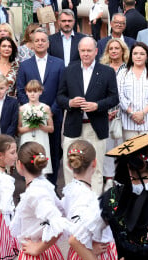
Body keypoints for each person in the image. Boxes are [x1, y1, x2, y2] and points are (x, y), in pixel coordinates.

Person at [57, 36, 119, 194]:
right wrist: (70, 103)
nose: (85, 54)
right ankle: (71, 197)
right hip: (73, 126)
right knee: (69, 164)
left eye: (89, 50)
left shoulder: (107, 72)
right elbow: (60, 97)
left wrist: (97, 105)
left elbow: (114, 98)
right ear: (78, 51)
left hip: (95, 126)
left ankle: (95, 202)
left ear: (96, 51)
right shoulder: (69, 70)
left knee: (96, 165)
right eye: (83, 50)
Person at [16, 28, 65, 185]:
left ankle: (51, 185)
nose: (40, 43)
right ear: (32, 43)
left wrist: (49, 112)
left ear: (48, 43)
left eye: (43, 40)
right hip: (30, 117)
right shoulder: (25, 65)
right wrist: (31, 111)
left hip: (53, 115)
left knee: (53, 150)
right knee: (31, 151)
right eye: (37, 40)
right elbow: (20, 89)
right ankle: (31, 184)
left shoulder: (58, 63)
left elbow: (62, 90)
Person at [100, 37, 129, 191]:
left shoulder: (128, 69)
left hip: (125, 113)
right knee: (109, 147)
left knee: (124, 145)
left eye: (117, 48)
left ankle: (123, 177)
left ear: (122, 50)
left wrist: (121, 108)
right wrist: (107, 110)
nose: (114, 51)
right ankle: (109, 178)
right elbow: (99, 92)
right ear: (107, 52)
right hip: (108, 114)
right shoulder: (103, 68)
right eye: (111, 49)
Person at [117, 42, 148, 137]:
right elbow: (119, 95)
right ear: (131, 56)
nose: (138, 56)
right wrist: (132, 114)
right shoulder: (122, 73)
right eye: (135, 53)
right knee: (130, 152)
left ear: (147, 56)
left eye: (142, 54)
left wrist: (143, 113)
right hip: (128, 123)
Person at [19, 80, 54, 176]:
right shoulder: (22, 109)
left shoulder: (46, 108)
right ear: (26, 92)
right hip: (27, 139)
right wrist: (30, 127)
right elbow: (19, 129)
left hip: (41, 139)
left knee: (41, 170)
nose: (32, 94)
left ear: (40, 92)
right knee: (28, 168)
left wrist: (41, 126)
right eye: (30, 91)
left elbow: (51, 128)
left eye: (35, 91)